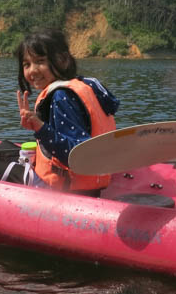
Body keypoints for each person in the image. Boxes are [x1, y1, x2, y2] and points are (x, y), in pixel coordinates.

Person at [14, 28, 120, 195]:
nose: (32, 70)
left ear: (63, 60)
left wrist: (40, 128)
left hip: (69, 190)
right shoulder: (87, 84)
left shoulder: (61, 96)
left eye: (40, 61)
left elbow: (78, 155)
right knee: (4, 148)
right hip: (96, 182)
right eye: (27, 64)